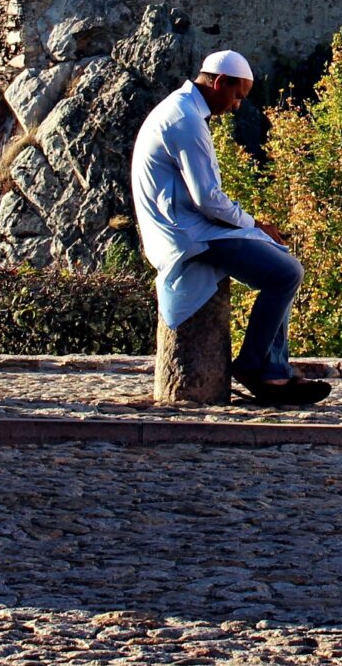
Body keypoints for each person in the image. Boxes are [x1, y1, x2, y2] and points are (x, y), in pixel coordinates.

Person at [129, 49, 329, 407]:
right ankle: (257, 368)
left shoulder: (181, 110)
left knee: (278, 263)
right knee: (285, 272)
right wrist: (254, 224)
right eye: (237, 95)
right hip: (184, 233)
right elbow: (208, 198)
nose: (237, 106)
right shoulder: (185, 120)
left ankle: (273, 372)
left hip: (185, 225)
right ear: (220, 82)